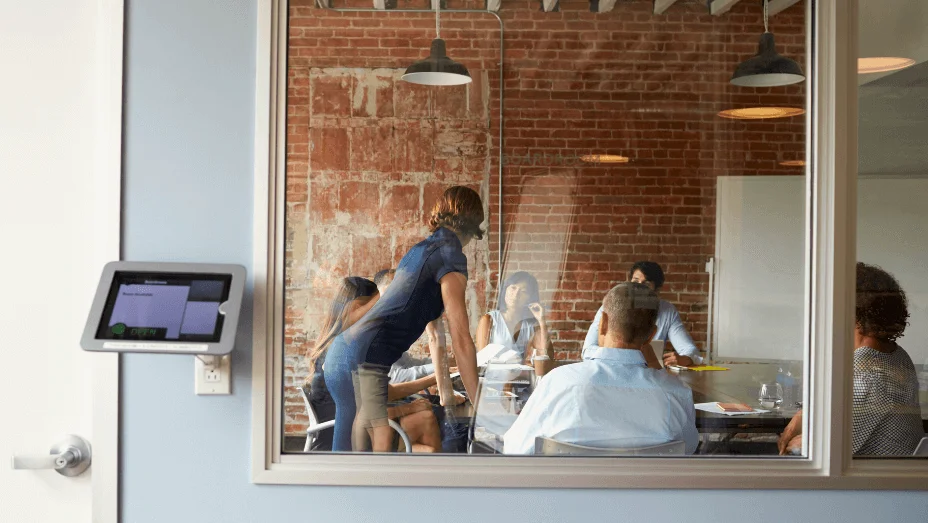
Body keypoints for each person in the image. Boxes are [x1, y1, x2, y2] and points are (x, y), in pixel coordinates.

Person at [324, 186, 483, 452]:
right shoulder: (450, 254)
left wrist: (445, 393)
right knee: (365, 464)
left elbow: (435, 334)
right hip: (364, 360)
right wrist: (481, 405)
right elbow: (461, 338)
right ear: (474, 220)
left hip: (341, 355)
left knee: (348, 459)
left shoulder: (420, 251)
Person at [503, 282, 698, 455]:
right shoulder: (676, 394)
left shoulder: (558, 383)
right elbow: (687, 449)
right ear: (651, 336)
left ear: (602, 323)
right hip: (648, 496)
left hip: (566, 495)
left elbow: (515, 449)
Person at [778, 263, 925, 456]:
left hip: (874, 480)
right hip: (899, 475)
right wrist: (802, 415)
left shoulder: (866, 370)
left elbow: (824, 446)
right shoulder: (897, 355)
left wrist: (796, 442)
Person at [304, 277, 442, 452]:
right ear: (356, 309)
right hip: (345, 440)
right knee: (427, 420)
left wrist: (434, 379)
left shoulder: (335, 346)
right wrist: (410, 406)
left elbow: (383, 393)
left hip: (352, 430)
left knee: (426, 425)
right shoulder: (344, 354)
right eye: (375, 309)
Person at [583, 261, 702, 368]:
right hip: (609, 369)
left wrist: (687, 358)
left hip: (649, 374)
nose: (638, 288)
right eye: (635, 282)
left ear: (657, 289)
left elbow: (689, 349)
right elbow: (587, 350)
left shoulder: (667, 311)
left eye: (646, 284)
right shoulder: (610, 306)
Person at [475, 271, 553, 368]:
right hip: (493, 378)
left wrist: (541, 321)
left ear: (530, 298)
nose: (516, 294)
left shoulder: (530, 324)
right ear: (505, 290)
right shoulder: (489, 320)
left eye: (523, 291)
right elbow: (482, 360)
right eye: (513, 288)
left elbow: (545, 358)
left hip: (520, 378)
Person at [376, 267, 438, 383]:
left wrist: (444, 362)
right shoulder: (375, 330)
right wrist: (440, 368)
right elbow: (395, 378)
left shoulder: (390, 326)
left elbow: (407, 364)